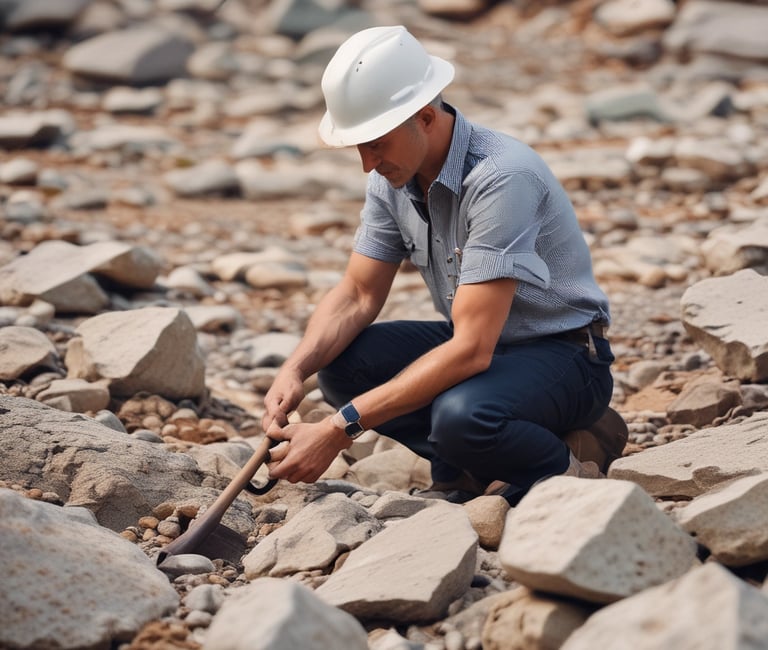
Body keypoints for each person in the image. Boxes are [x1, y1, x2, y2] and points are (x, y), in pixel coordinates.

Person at [262, 25, 627, 505]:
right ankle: (468, 469)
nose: (367, 164)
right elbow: (358, 293)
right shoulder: (394, 175)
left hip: (566, 355)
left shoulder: (500, 178)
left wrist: (339, 428)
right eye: (359, 146)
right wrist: (295, 368)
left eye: (376, 143)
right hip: (484, 346)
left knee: (461, 418)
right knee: (340, 366)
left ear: (426, 117)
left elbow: (473, 349)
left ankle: (564, 463)